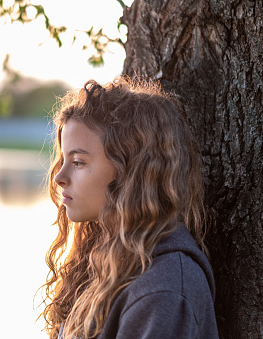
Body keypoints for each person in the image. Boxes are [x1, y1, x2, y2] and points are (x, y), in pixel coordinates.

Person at [40, 77, 219, 339]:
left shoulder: (163, 291)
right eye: (64, 159)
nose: (59, 177)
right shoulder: (103, 258)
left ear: (129, 171)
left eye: (78, 162)